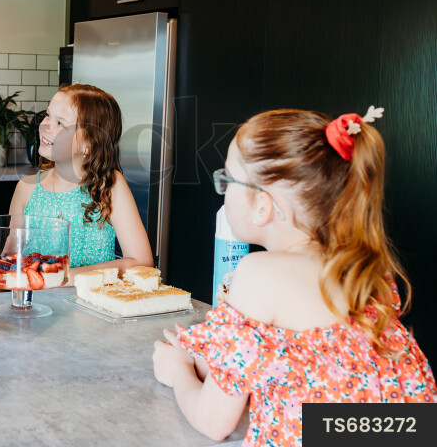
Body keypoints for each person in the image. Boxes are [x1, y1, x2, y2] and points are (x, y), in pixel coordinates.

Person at [152, 107, 437, 445]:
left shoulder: (260, 274)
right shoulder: (367, 266)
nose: (222, 189)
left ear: (263, 206)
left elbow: (215, 422)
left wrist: (179, 371)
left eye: (227, 180)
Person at [8, 84, 154, 282]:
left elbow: (142, 262)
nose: (45, 126)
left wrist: (63, 278)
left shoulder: (109, 186)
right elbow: (7, 264)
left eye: (60, 123)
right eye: (48, 115)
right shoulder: (26, 189)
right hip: (31, 310)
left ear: (89, 144)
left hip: (92, 310)